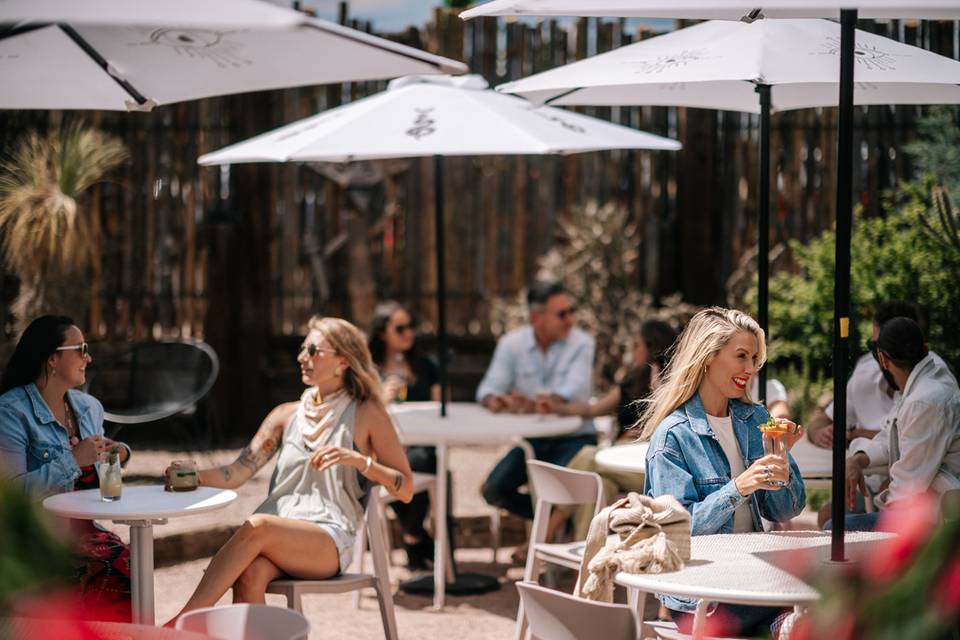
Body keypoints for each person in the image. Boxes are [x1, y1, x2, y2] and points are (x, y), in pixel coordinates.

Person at [164, 316, 413, 623]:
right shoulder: (286, 415)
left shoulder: (367, 412)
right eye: (302, 349)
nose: (301, 357)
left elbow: (406, 489)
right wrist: (191, 476)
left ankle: (183, 623)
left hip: (329, 538)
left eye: (313, 350)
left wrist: (361, 462)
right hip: (281, 534)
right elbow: (238, 472)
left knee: (257, 526)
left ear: (343, 361)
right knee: (250, 575)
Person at [639, 307, 806, 636]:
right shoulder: (674, 435)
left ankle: (781, 625)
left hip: (752, 574)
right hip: (698, 590)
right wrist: (739, 487)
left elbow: (788, 509)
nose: (750, 368)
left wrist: (781, 460)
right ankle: (781, 624)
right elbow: (679, 532)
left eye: (755, 359)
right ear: (707, 357)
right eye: (741, 356)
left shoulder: (755, 419)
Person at [0, 315, 132, 621]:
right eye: (81, 348)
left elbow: (99, 473)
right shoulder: (10, 413)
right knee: (116, 570)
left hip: (84, 533)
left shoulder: (89, 409)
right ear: (52, 359)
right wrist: (72, 461)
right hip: (34, 538)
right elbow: (10, 494)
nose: (89, 357)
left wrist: (120, 454)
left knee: (130, 565)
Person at [543, 319, 677, 539]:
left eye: (637, 345)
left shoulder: (676, 384)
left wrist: (658, 391)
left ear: (652, 348)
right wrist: (557, 408)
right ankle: (585, 559)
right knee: (600, 484)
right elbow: (594, 409)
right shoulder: (633, 380)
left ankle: (549, 527)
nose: (633, 351)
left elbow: (675, 426)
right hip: (618, 461)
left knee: (588, 455)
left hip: (647, 468)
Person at [476, 280, 597, 523]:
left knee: (560, 491)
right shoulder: (511, 344)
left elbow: (573, 390)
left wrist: (534, 403)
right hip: (534, 441)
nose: (570, 319)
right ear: (536, 316)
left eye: (571, 311)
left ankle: (546, 534)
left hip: (575, 438)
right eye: (562, 314)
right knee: (493, 490)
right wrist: (498, 401)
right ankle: (552, 524)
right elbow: (487, 389)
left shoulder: (582, 343)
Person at [838, 317, 960, 531]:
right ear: (925, 349)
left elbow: (907, 488)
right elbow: (891, 435)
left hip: (933, 522)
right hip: (929, 512)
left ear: (883, 359)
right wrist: (859, 459)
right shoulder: (927, 383)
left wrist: (883, 504)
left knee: (835, 530)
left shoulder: (924, 401)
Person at [368, 301, 440, 570]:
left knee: (423, 458)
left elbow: (438, 409)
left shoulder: (426, 366)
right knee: (395, 463)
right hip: (384, 447)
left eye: (411, 327)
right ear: (382, 332)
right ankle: (417, 537)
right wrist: (382, 399)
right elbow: (362, 416)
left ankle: (411, 534)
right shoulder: (369, 371)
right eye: (400, 328)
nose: (408, 333)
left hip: (421, 443)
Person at [806, 301, 922, 449]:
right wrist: (820, 434)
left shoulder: (931, 386)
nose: (882, 358)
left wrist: (855, 434)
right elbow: (821, 421)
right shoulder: (864, 374)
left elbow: (906, 442)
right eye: (874, 347)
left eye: (892, 350)